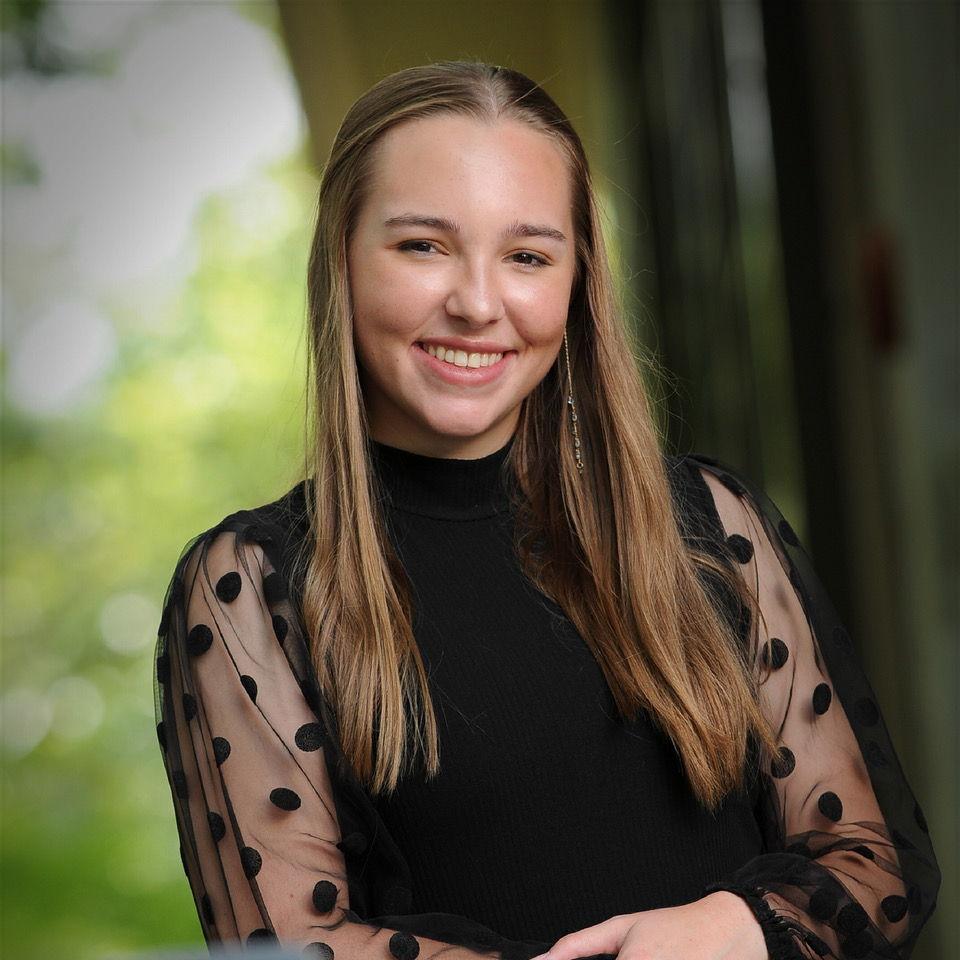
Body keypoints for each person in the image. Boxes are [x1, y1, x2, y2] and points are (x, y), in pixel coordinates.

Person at [152, 61, 940, 960]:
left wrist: (729, 928)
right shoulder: (253, 587)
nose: (477, 304)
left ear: (575, 284)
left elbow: (872, 867)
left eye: (527, 256)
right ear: (341, 261)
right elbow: (295, 943)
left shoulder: (711, 524)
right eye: (423, 246)